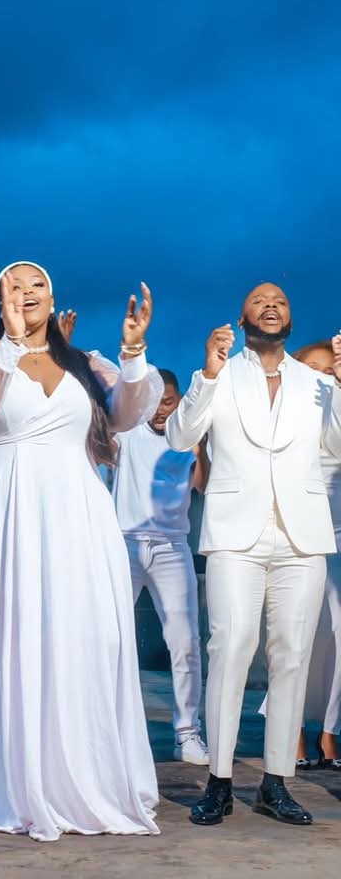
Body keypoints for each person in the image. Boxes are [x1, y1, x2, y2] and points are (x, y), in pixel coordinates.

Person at [0, 260, 163, 842]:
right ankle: (0, 780)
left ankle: (75, 775)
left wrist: (134, 352)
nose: (27, 292)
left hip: (75, 512)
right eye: (16, 285)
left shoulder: (86, 364)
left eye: (38, 285)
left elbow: (127, 415)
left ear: (53, 300)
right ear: (0, 299)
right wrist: (9, 346)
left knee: (82, 635)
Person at [166, 283, 341, 827]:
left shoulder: (318, 383)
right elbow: (179, 437)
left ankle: (275, 783)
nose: (271, 305)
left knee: (291, 654)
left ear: (289, 320)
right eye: (260, 300)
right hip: (233, 533)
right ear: (241, 319)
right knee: (231, 646)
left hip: (301, 535)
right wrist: (207, 376)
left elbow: (338, 448)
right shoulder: (218, 376)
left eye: (281, 301)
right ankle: (218, 782)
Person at [111, 368, 209, 764]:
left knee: (185, 642)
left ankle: (187, 734)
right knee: (110, 638)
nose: (160, 410)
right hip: (125, 544)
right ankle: (110, 732)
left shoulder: (187, 435)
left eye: (167, 402)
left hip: (172, 547)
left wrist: (201, 449)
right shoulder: (127, 431)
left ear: (179, 400)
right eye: (153, 402)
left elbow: (205, 485)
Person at [286, 341, 341, 770]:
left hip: (339, 536)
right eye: (313, 370)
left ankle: (330, 731)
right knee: (294, 635)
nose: (321, 377)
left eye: (329, 370)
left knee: (339, 638)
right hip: (296, 536)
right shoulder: (284, 414)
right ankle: (292, 732)